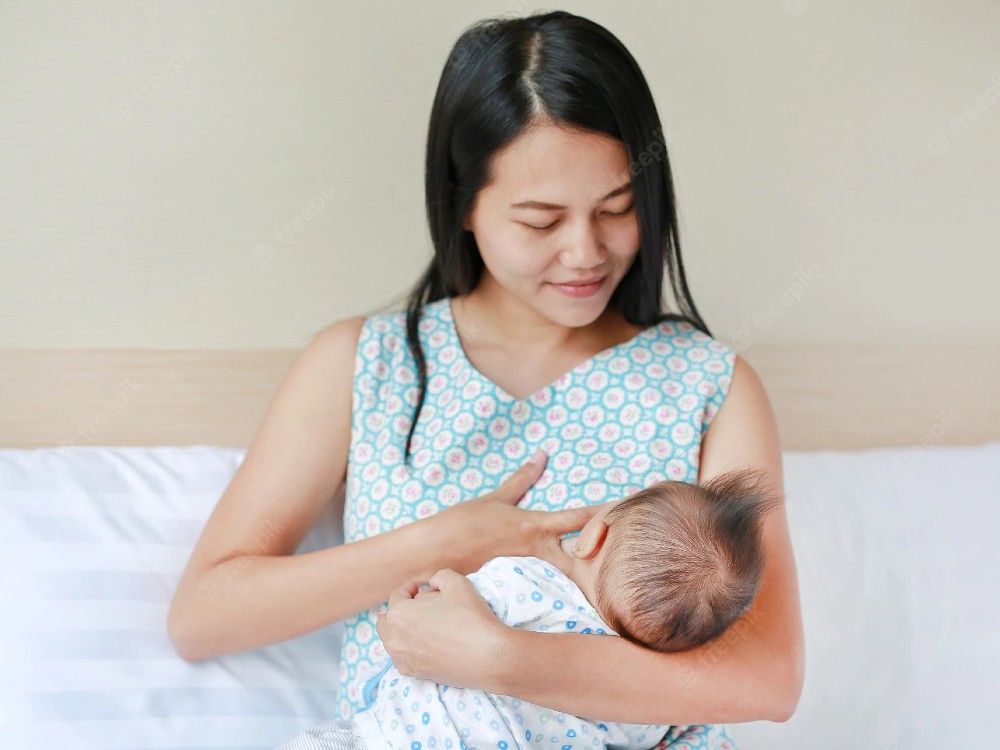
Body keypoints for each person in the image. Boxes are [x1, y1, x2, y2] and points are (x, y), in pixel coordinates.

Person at [167, 9, 804, 748]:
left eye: (618, 208)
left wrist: (501, 659)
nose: (585, 251)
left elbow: (768, 678)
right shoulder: (364, 365)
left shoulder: (708, 385)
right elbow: (204, 616)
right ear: (463, 202)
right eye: (540, 221)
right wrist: (442, 542)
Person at [273, 470, 784, 749]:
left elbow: (435, 613)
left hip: (391, 739)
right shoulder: (648, 713)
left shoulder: (524, 581)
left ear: (594, 535)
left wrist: (427, 587)